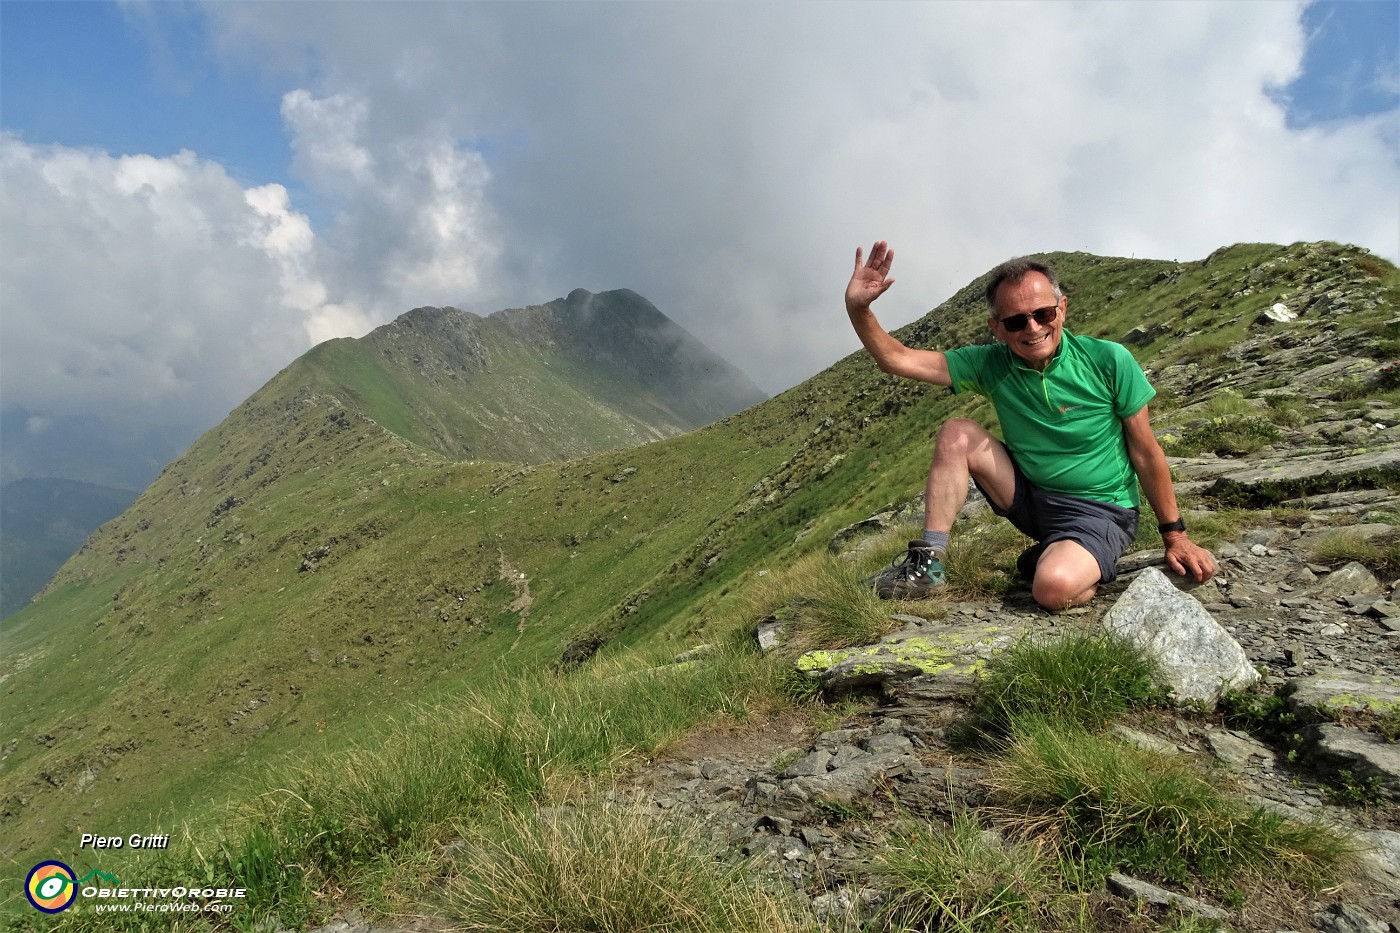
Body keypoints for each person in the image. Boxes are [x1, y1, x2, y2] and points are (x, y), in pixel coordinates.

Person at [843, 240, 1215, 610]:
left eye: (1043, 314)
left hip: (1101, 510)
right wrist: (858, 309)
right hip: (1031, 498)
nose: (1033, 327)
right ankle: (929, 565)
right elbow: (897, 359)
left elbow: (1146, 452)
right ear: (997, 328)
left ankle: (1068, 557)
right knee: (957, 432)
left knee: (1052, 590)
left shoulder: (1108, 360)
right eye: (1016, 320)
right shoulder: (991, 363)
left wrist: (1175, 536)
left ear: (1062, 308)